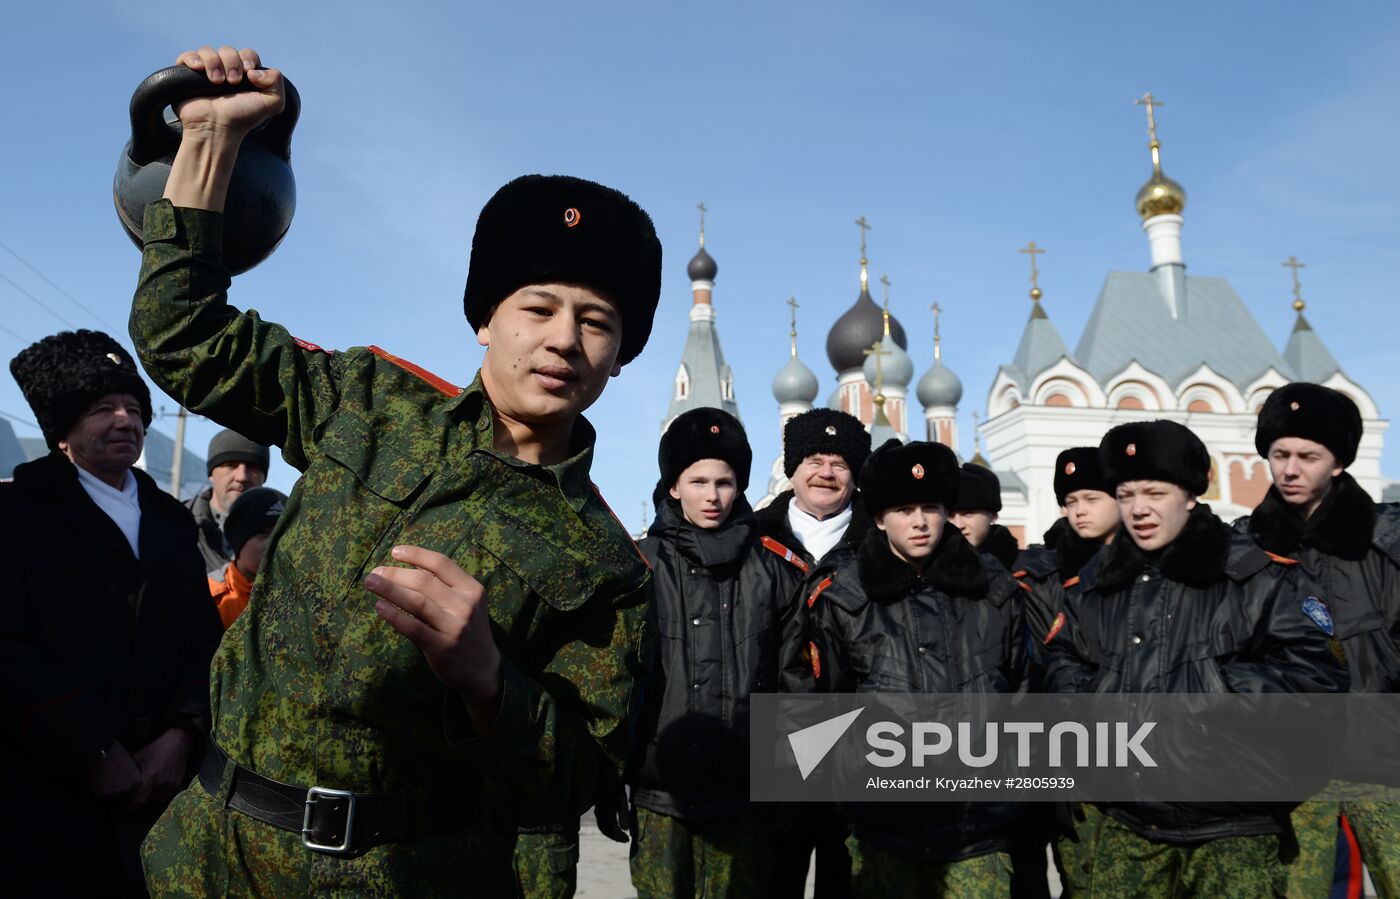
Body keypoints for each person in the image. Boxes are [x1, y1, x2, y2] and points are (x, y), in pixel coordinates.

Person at [131, 46, 659, 895]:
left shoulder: (605, 561)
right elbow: (183, 336)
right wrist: (209, 140)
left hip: (398, 874)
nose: (564, 337)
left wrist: (489, 678)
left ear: (620, 358)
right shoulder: (367, 399)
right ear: (486, 318)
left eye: (596, 321)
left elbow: (580, 778)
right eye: (538, 307)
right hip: (206, 854)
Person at [1042, 419, 1351, 898]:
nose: (1139, 509)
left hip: (1231, 827)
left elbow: (1316, 680)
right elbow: (1063, 665)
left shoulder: (1255, 578)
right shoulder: (1095, 586)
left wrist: (1212, 698)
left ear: (1190, 494)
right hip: (1128, 820)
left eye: (1154, 492)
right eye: (1125, 495)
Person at [1, 330, 223, 895]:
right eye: (103, 409)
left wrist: (182, 732)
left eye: (133, 408)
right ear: (63, 434)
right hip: (45, 797)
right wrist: (94, 748)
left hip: (163, 792)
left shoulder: (172, 523)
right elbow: (10, 650)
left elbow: (205, 642)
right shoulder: (18, 516)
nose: (125, 420)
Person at [800, 439, 1026, 897]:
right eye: (903, 509)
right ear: (880, 518)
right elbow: (822, 708)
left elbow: (1023, 691)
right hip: (883, 828)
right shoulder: (845, 599)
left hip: (979, 828)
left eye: (930, 506)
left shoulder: (994, 590)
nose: (919, 521)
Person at [624, 408, 805, 897]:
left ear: (739, 486)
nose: (712, 495)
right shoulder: (638, 567)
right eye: (698, 480)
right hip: (659, 793)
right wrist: (608, 776)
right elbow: (614, 679)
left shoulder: (775, 572)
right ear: (674, 485)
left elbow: (795, 686)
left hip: (743, 795)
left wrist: (790, 784)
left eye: (724, 482)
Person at [1235, 383, 1400, 899]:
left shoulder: (1387, 545)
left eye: (1308, 456)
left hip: (1387, 764)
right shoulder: (1244, 550)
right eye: (1279, 454)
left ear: (1338, 463)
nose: (1290, 468)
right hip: (1295, 771)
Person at [755, 406, 872, 899]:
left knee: (848, 876)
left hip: (863, 741)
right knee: (774, 874)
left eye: (840, 463)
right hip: (775, 739)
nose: (826, 473)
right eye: (815, 459)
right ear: (792, 467)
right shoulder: (752, 539)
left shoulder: (879, 544)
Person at [187, 428, 270, 575]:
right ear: (211, 473)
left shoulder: (283, 531)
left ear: (263, 477)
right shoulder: (175, 524)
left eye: (253, 467)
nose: (242, 476)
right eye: (231, 465)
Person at [207, 486, 286, 628]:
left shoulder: (308, 593)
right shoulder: (208, 597)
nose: (275, 542)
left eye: (283, 533)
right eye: (263, 533)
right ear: (238, 541)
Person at [952, 462, 1019, 568]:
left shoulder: (1029, 573)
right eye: (950, 515)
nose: (958, 525)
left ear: (993, 515)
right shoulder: (923, 572)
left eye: (968, 513)